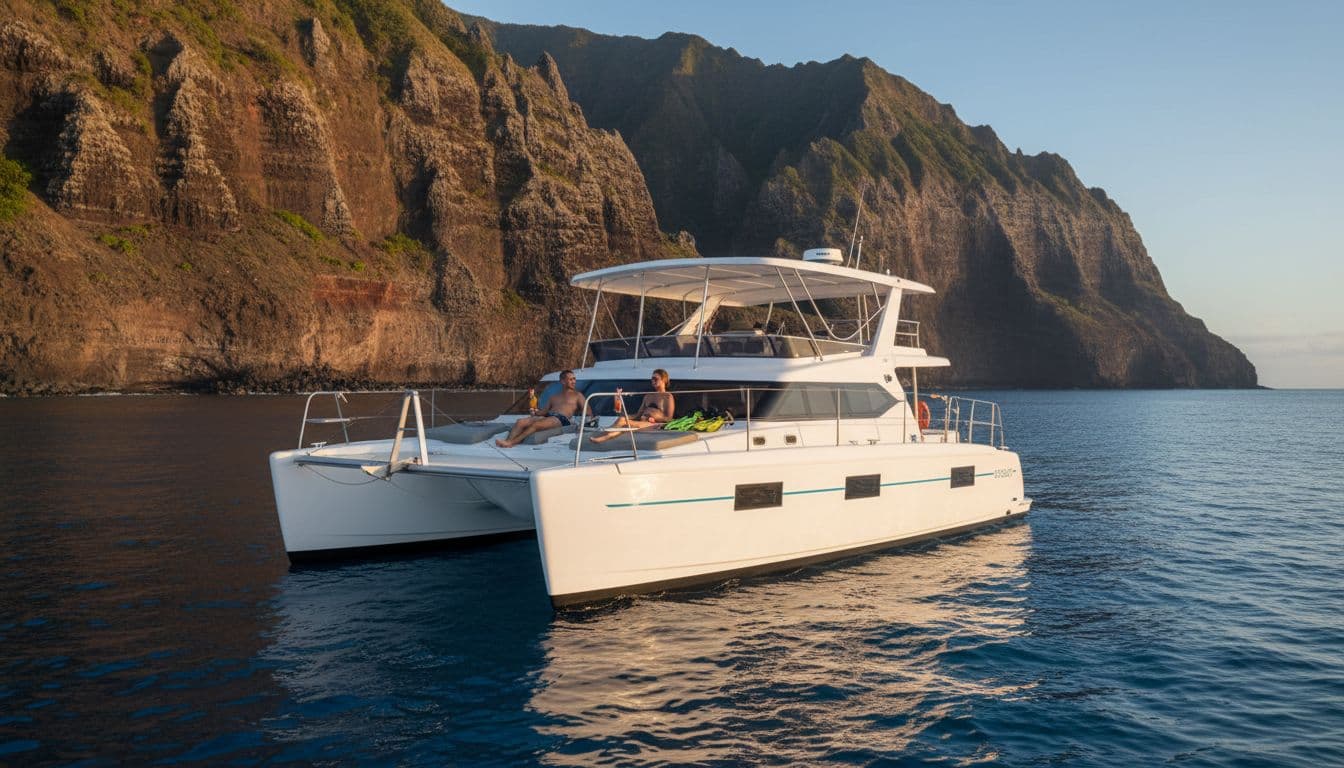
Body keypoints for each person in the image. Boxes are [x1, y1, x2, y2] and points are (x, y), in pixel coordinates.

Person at [496, 370, 584, 447]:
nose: (574, 382)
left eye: (574, 379)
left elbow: (588, 414)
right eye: (571, 379)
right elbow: (544, 412)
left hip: (562, 419)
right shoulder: (554, 397)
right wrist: (535, 412)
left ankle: (511, 442)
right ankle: (507, 441)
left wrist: (582, 425)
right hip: (549, 416)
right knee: (520, 422)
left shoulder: (578, 395)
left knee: (537, 424)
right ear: (563, 381)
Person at [591, 369, 675, 443]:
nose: (653, 381)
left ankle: (604, 437)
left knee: (628, 425)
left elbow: (668, 418)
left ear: (664, 379)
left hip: (655, 424)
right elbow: (637, 415)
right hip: (643, 421)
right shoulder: (648, 396)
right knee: (621, 419)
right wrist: (619, 403)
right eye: (652, 379)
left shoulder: (668, 397)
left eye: (655, 379)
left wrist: (654, 415)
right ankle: (602, 433)